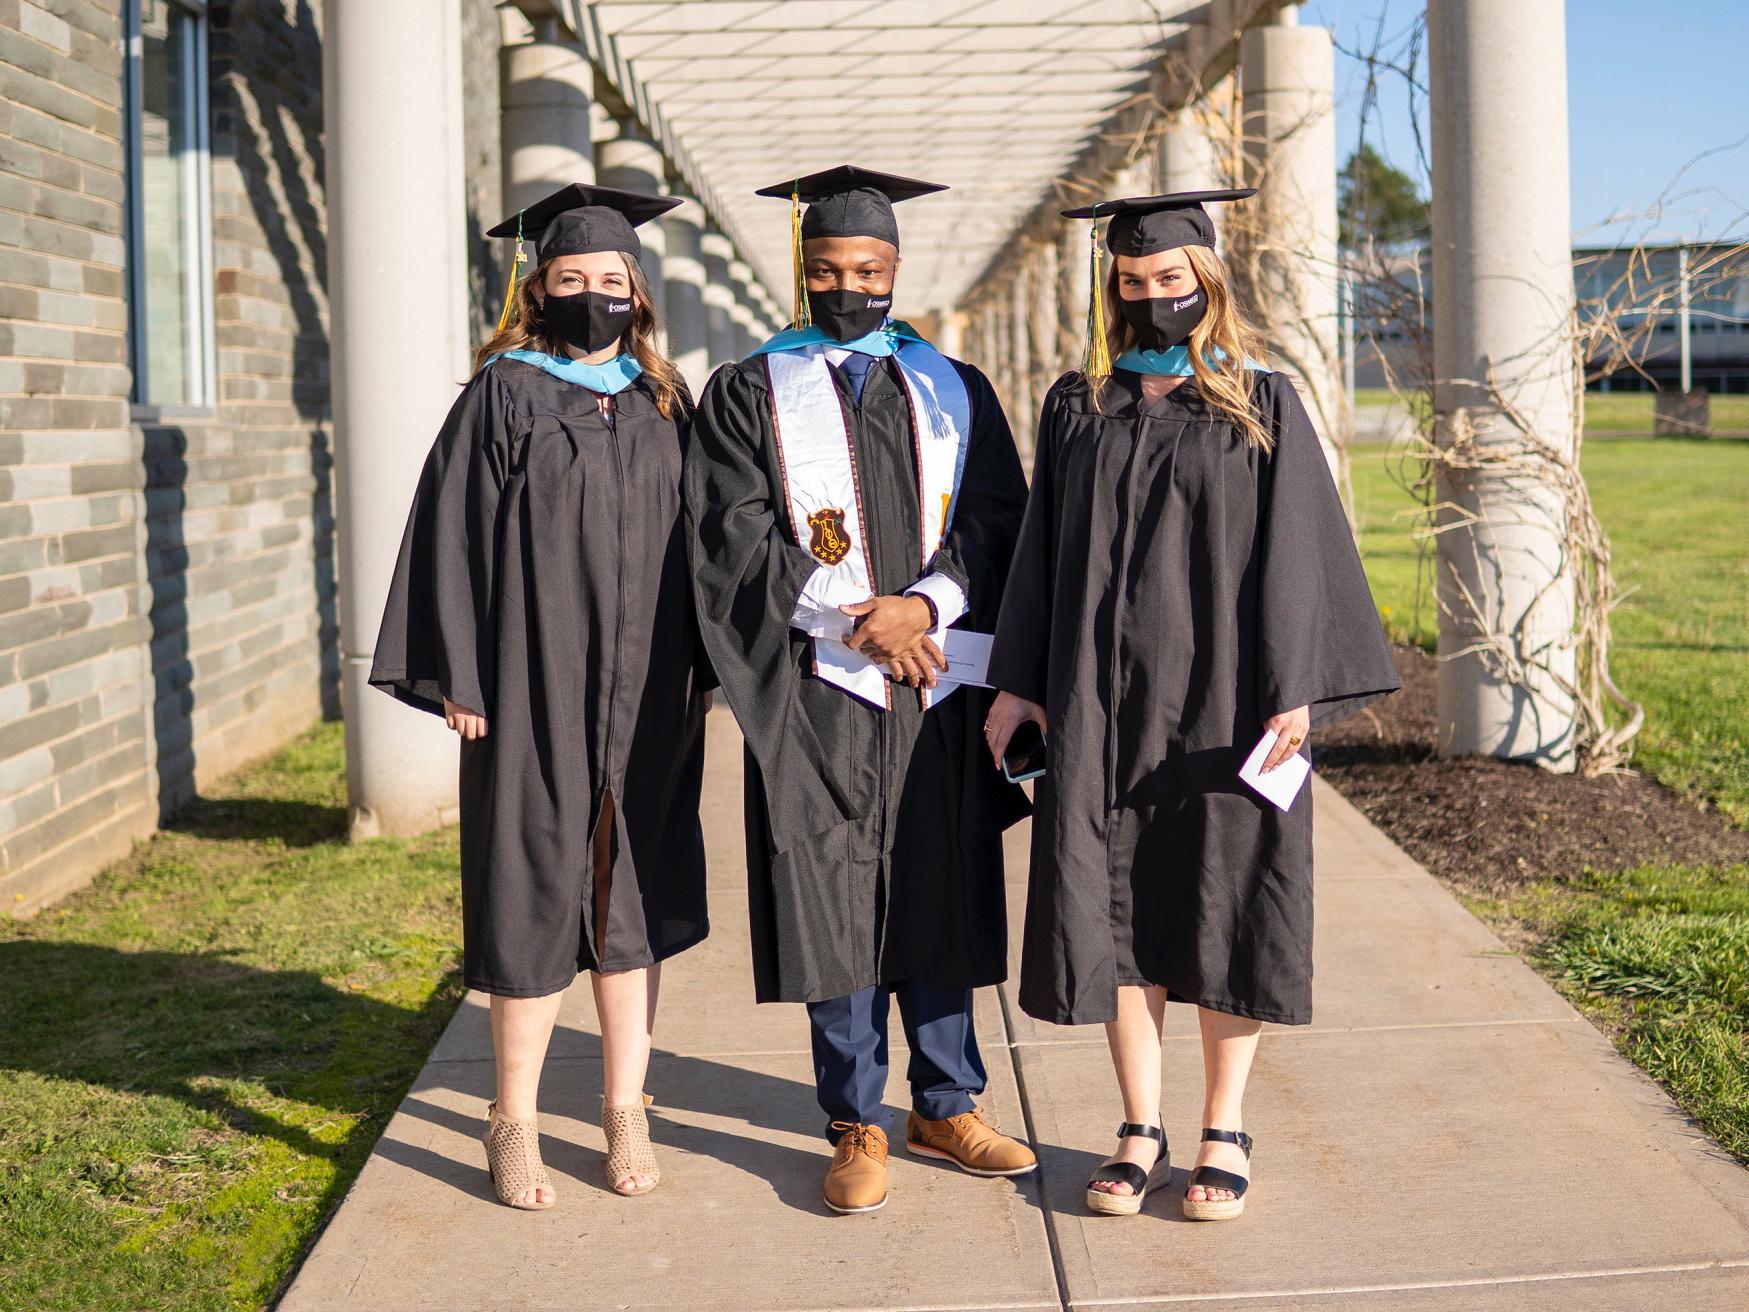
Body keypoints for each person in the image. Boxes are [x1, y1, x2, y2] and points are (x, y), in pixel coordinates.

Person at [984, 188, 1401, 1221]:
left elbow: (1299, 552)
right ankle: (1140, 1125)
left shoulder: (1261, 400)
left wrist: (1293, 685)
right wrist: (1017, 682)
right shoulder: (1079, 404)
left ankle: (1224, 1125)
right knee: (1117, 909)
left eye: (1171, 278)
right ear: (1115, 290)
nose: (1153, 295)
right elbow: (1042, 554)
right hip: (1102, 701)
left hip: (1223, 704)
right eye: (1134, 281)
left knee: (1223, 901)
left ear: (1207, 280)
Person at [685, 164, 1035, 1215]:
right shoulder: (750, 388)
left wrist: (923, 605)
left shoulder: (953, 388)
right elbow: (727, 532)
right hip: (817, 685)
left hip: (934, 683)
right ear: (804, 269)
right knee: (832, 890)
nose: (852, 285)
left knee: (935, 878)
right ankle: (855, 1120)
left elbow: (1000, 521)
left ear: (896, 269)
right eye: (831, 268)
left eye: (871, 268)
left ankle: (947, 1100)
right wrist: (849, 617)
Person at [371, 183, 712, 1206]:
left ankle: (624, 1112)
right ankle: (511, 1120)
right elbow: (451, 540)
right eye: (573, 280)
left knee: (631, 903)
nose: (595, 295)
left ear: (639, 294)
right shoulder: (501, 395)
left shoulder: (666, 401)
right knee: (528, 895)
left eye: (613, 281)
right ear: (537, 288)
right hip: (532, 679)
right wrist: (461, 675)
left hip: (649, 694)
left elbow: (708, 543)